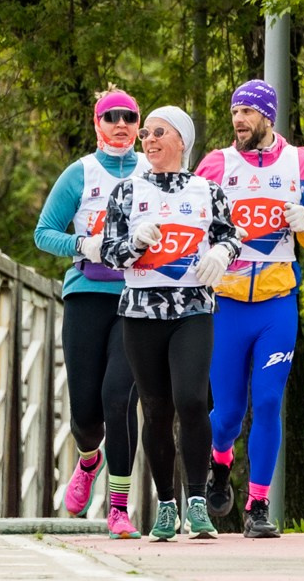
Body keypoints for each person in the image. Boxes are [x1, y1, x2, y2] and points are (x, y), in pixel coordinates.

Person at [197, 79, 304, 539]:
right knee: (227, 414)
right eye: (233, 112)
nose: (238, 120)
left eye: (246, 111)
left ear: (267, 116)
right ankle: (220, 463)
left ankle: (257, 505)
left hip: (276, 304)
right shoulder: (217, 164)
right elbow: (189, 215)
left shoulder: (300, 162)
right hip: (227, 304)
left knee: (267, 401)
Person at [96, 105, 237, 541]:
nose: (150, 140)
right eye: (146, 135)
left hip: (193, 308)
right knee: (156, 410)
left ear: (181, 141)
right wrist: (134, 244)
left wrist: (222, 253)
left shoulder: (207, 191)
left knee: (192, 400)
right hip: (141, 312)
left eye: (159, 133)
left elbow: (231, 236)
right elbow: (109, 253)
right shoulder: (127, 192)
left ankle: (197, 504)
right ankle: (166, 505)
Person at [32, 88, 148, 538]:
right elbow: (44, 233)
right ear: (97, 124)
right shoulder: (80, 173)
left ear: (138, 126)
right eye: (111, 116)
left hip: (137, 297)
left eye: (129, 117)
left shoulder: (152, 172)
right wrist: (84, 244)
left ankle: (118, 507)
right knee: (85, 411)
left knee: (119, 399)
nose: (121, 124)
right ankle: (87, 459)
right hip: (86, 293)